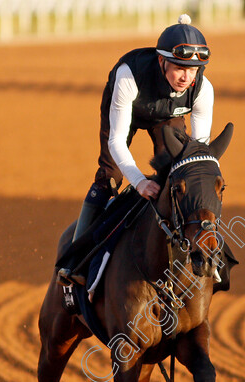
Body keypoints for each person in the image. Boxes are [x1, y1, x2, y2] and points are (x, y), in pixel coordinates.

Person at [58, 14, 214, 286]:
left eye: (194, 71)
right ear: (161, 61)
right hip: (126, 109)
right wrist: (140, 182)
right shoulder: (129, 75)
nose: (186, 77)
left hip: (165, 116)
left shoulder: (202, 89)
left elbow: (195, 158)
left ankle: (190, 252)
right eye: (179, 68)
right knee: (109, 178)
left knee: (177, 177)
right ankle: (74, 263)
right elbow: (116, 141)